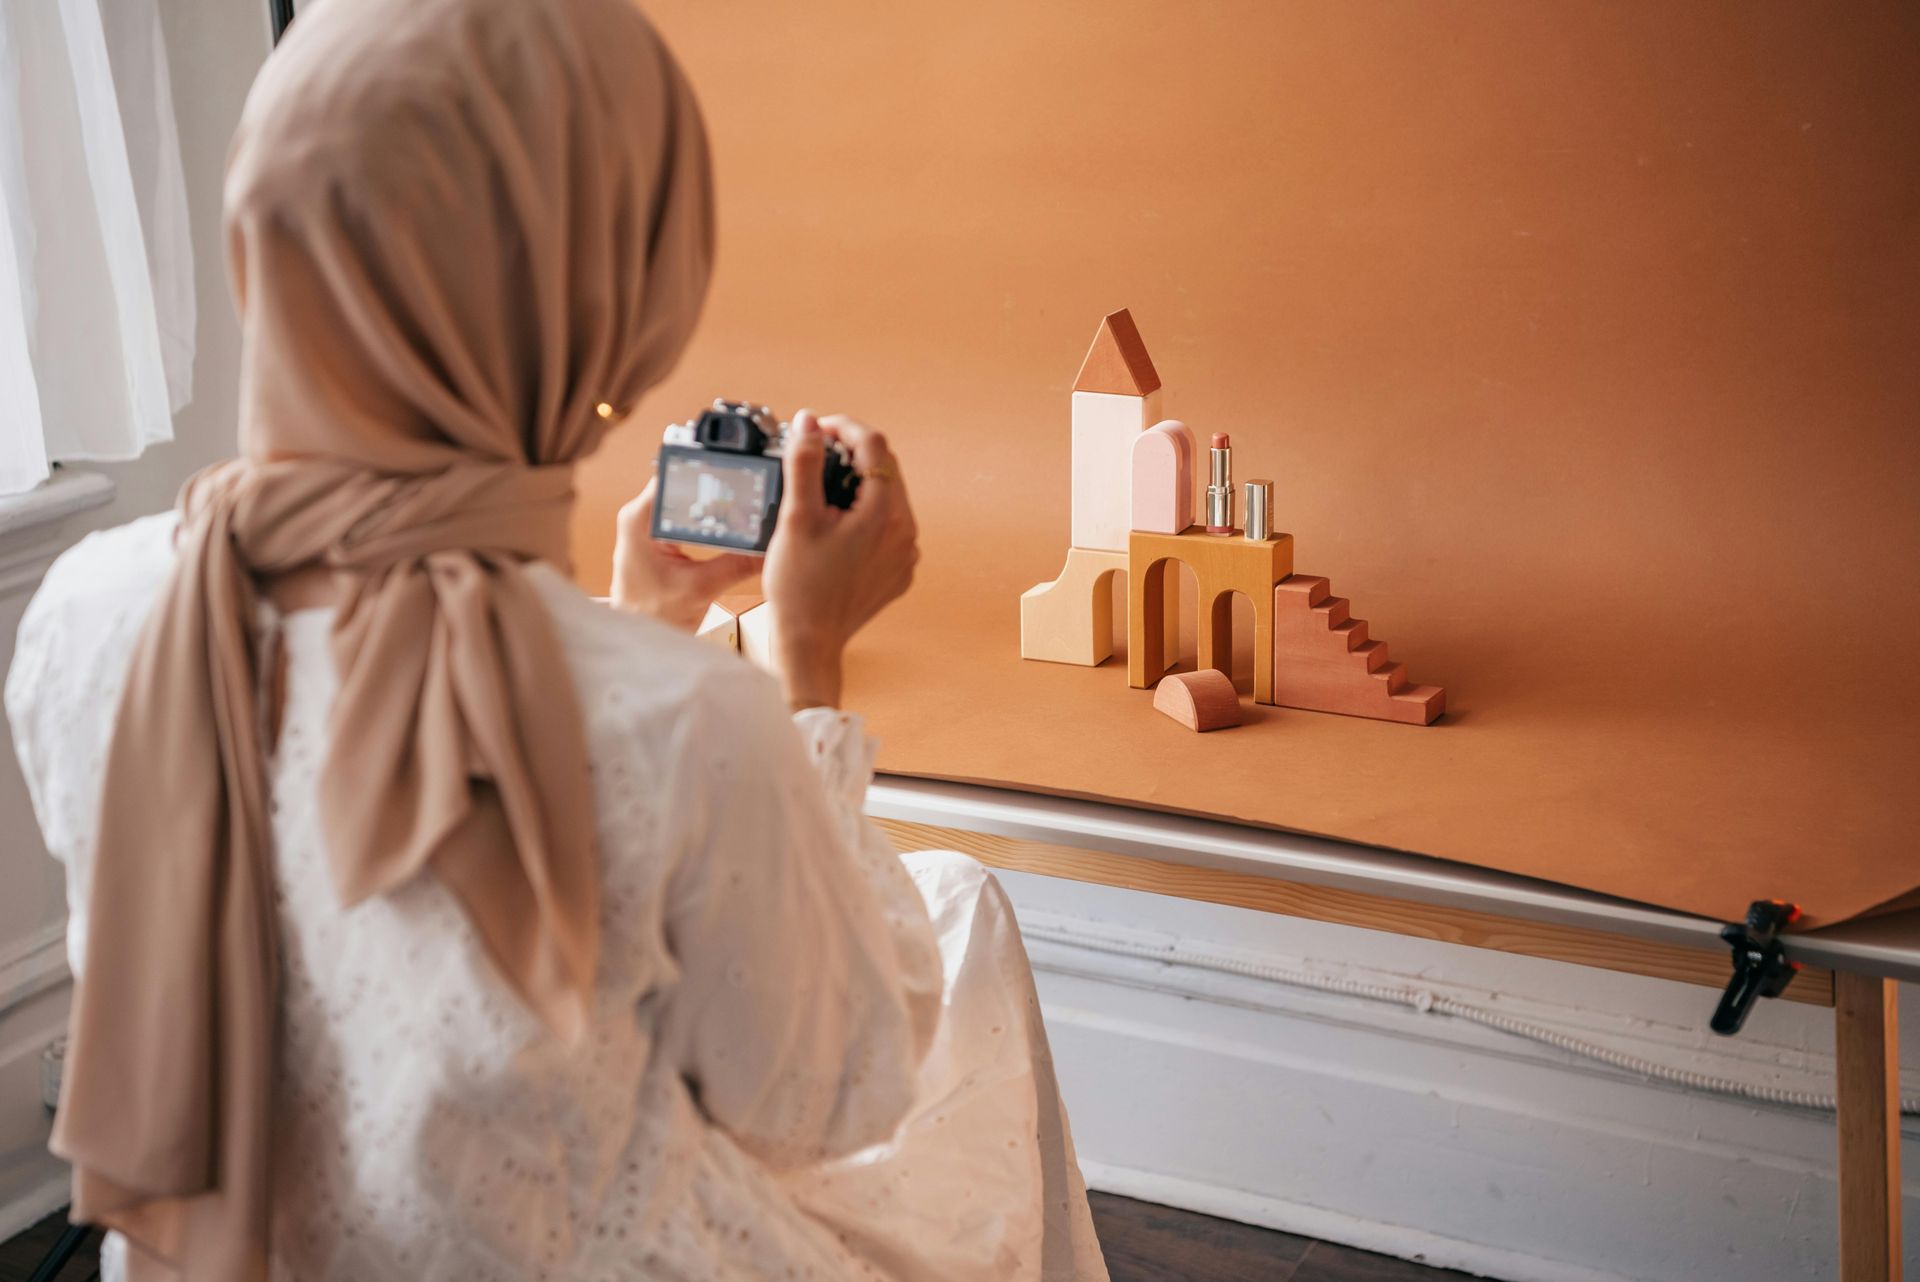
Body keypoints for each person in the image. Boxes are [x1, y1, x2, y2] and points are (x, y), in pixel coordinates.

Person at [3, 0, 1109, 1278]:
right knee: (964, 915)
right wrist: (805, 662)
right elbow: (826, 1099)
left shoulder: (89, 611)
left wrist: (642, 620)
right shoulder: (679, 718)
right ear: (613, 305)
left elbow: (400, 980)